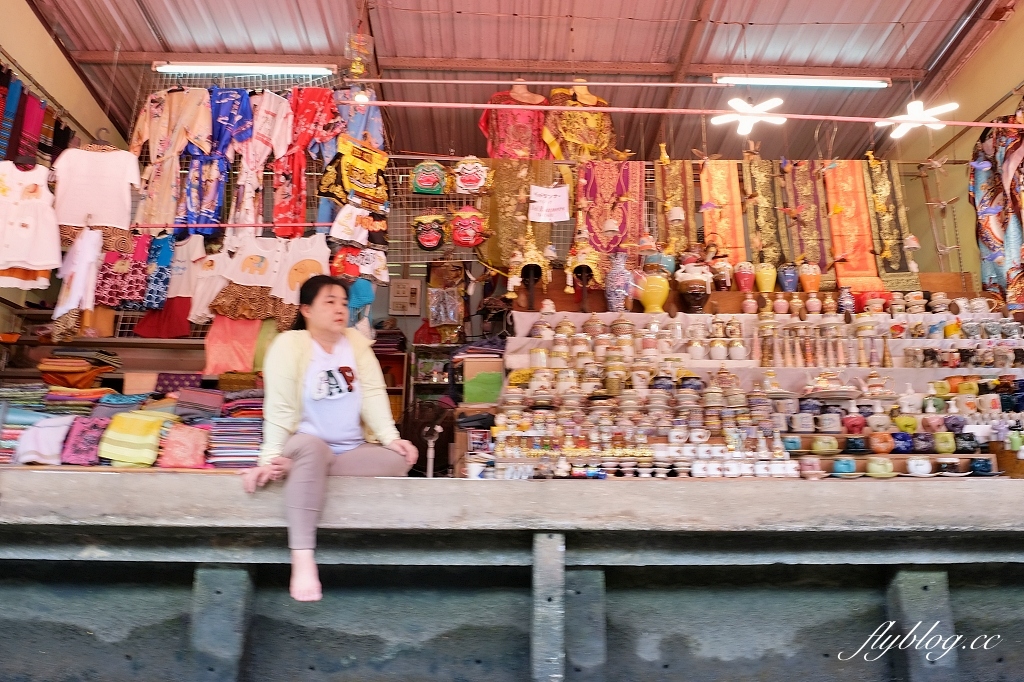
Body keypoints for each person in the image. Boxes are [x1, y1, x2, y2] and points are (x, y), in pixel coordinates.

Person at [241, 275, 418, 601]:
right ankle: (303, 558)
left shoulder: (357, 345)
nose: (340, 309)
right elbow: (278, 408)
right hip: (305, 442)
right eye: (329, 302)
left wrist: (392, 438)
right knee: (310, 450)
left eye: (342, 302)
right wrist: (268, 459)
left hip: (347, 451)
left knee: (400, 460)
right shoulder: (288, 346)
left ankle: (301, 474)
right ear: (306, 309)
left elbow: (374, 394)